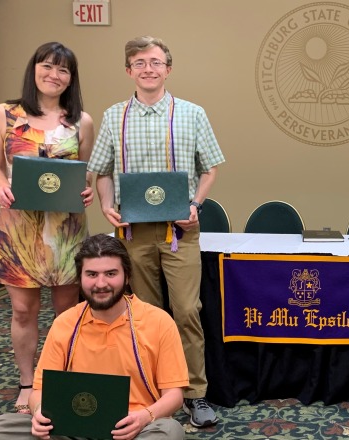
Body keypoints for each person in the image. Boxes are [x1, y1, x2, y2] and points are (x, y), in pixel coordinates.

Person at [87, 35, 225, 427]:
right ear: (128, 70)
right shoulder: (115, 116)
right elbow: (100, 170)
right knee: (143, 314)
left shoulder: (192, 113)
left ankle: (195, 395)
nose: (148, 69)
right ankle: (149, 391)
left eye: (155, 62)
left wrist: (195, 204)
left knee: (186, 311)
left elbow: (210, 167)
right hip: (133, 234)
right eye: (140, 62)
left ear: (168, 68)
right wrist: (106, 205)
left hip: (179, 231)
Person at [0, 234, 189, 440]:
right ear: (80, 278)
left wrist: (145, 417)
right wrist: (38, 412)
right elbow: (39, 391)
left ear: (127, 277)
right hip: (70, 426)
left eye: (110, 273)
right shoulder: (65, 322)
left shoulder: (159, 322)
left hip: (132, 429)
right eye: (91, 274)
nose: (100, 284)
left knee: (169, 431)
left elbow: (174, 395)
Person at [0, 42, 94, 414]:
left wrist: (88, 191)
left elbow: (86, 174)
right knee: (22, 311)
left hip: (66, 230)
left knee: (68, 312)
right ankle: (28, 383)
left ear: (71, 79)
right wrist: (0, 185)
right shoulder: (4, 113)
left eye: (63, 70)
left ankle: (61, 379)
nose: (54, 75)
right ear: (34, 69)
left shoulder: (81, 121)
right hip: (19, 227)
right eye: (48, 66)